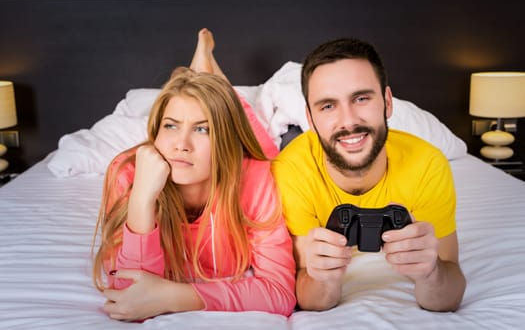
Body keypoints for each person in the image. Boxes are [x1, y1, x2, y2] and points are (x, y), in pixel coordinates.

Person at [92, 28, 296, 321]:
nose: (181, 146)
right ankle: (200, 71)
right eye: (170, 126)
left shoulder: (255, 175)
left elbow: (279, 293)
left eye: (203, 129)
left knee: (253, 133)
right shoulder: (126, 172)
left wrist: (174, 297)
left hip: (239, 155)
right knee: (202, 101)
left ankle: (205, 62)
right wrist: (142, 201)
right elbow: (129, 298)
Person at [271, 37, 466, 312]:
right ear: (310, 118)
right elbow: (312, 299)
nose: (349, 121)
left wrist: (431, 271)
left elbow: (448, 296)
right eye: (328, 106)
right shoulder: (290, 171)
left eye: (361, 98)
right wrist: (322, 276)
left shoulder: (428, 164)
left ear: (387, 102)